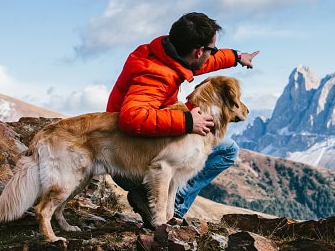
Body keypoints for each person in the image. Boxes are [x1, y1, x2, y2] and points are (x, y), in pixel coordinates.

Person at [106, 12, 259, 227]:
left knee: (228, 149)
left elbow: (203, 63)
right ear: (198, 51)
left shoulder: (168, 55)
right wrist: (186, 121)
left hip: (153, 142)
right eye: (211, 49)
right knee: (211, 149)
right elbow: (131, 118)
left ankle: (168, 202)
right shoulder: (156, 74)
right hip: (131, 159)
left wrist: (236, 56)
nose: (212, 54)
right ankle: (165, 206)